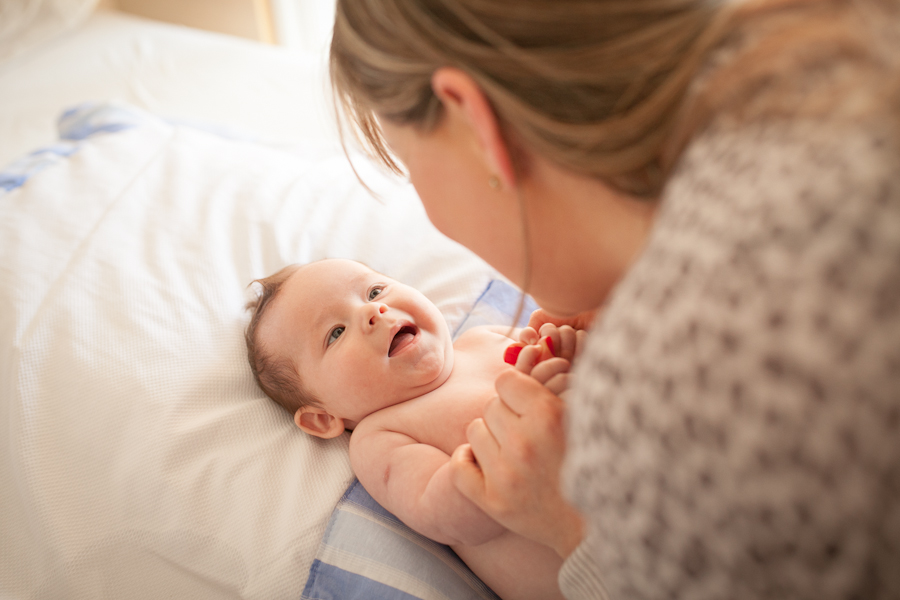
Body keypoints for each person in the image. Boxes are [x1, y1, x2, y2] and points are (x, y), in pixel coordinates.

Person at [328, 0, 900, 598]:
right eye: (334, 332)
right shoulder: (823, 51)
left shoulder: (664, 375)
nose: (372, 311)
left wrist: (571, 527)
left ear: (473, 119)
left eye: (407, 163)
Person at [244, 258, 587, 600]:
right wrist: (514, 427)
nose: (373, 311)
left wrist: (572, 349)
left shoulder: (486, 337)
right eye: (336, 333)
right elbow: (450, 514)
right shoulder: (381, 437)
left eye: (374, 291)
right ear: (322, 417)